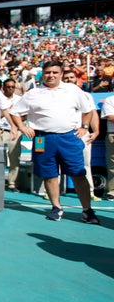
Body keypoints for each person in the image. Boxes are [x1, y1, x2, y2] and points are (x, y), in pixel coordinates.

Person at [9, 61, 99, 224]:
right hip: (43, 138)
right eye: (48, 72)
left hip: (68, 137)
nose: (51, 75)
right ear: (42, 74)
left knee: (78, 173)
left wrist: (85, 127)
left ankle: (87, 210)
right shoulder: (33, 93)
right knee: (49, 174)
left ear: (61, 74)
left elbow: (87, 110)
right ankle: (56, 207)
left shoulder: (72, 90)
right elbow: (14, 112)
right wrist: (22, 126)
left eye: (55, 72)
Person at [63, 69, 101, 202]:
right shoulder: (58, 96)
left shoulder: (86, 95)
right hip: (62, 134)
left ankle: (90, 191)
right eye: (66, 78)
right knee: (56, 163)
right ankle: (50, 191)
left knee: (85, 164)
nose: (69, 80)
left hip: (82, 133)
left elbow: (93, 114)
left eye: (71, 77)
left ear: (77, 79)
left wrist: (95, 131)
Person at [0, 78, 22, 191]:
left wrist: (15, 119)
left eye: (13, 87)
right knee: (0, 157)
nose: (11, 89)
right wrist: (6, 112)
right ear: (3, 87)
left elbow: (24, 115)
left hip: (16, 131)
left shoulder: (19, 100)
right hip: (2, 130)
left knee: (14, 157)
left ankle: (12, 182)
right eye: (8, 87)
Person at [101, 94, 114, 200]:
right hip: (113, 133)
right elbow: (110, 116)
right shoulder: (110, 100)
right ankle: (112, 191)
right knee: (113, 164)